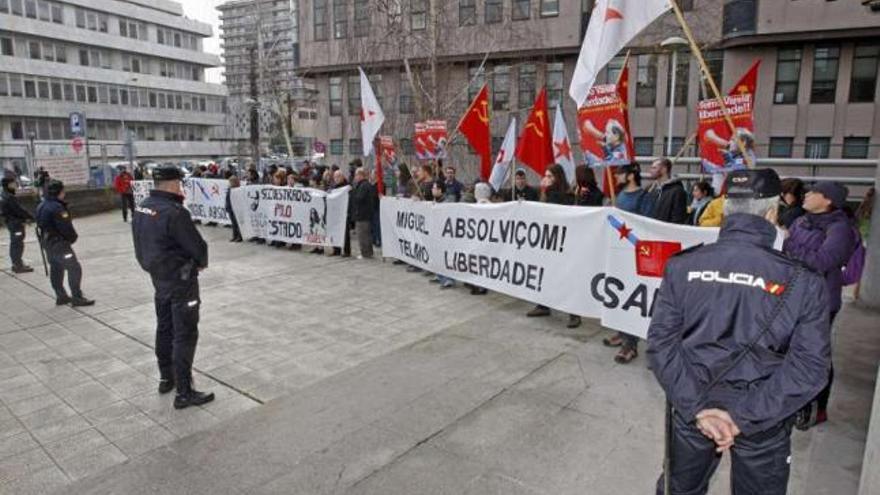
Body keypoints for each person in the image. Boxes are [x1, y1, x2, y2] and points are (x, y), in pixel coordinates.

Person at [648, 168, 831, 495]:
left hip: (693, 408)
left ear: (726, 207)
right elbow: (810, 369)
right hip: (764, 415)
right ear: (773, 213)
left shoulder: (681, 265)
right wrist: (742, 418)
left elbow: (661, 346)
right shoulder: (805, 281)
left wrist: (700, 410)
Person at [132, 166, 214, 409]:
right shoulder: (175, 212)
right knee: (185, 334)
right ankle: (184, 392)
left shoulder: (143, 206)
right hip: (180, 281)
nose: (180, 188)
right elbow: (197, 247)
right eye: (179, 183)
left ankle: (166, 378)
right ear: (170, 183)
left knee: (164, 329)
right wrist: (199, 264)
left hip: (159, 278)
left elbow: (139, 243)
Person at [783, 181, 859, 428]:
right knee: (791, 352)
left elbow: (822, 261)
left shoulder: (840, 229)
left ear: (828, 200)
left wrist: (790, 244)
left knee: (816, 354)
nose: (807, 194)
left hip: (822, 302)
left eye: (814, 192)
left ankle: (818, 407)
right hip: (793, 296)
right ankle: (793, 401)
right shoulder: (800, 222)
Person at [602, 162, 651, 363]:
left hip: (635, 253)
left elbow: (647, 224)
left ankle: (631, 345)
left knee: (633, 299)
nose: (616, 177)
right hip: (618, 253)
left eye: (620, 174)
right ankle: (622, 332)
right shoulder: (620, 195)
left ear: (631, 176)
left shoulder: (643, 197)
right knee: (620, 294)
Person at [527, 165, 581, 328]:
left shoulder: (566, 194)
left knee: (566, 277)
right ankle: (543, 305)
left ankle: (574, 314)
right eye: (545, 175)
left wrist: (545, 189)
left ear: (557, 177)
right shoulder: (546, 192)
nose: (546, 178)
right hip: (548, 240)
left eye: (550, 176)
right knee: (546, 274)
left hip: (563, 242)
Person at [36, 180, 95, 306]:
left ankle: (61, 295)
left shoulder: (41, 205)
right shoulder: (57, 207)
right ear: (59, 192)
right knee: (74, 267)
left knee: (56, 267)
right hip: (59, 243)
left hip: (47, 242)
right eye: (63, 191)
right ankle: (77, 296)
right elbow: (65, 227)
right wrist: (72, 238)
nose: (65, 193)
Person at [1, 177, 35, 273]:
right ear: (8, 185)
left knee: (15, 244)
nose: (16, 184)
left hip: (11, 222)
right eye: (13, 183)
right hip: (15, 223)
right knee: (17, 244)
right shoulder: (9, 197)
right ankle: (18, 265)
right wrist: (30, 217)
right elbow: (18, 210)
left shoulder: (5, 194)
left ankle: (17, 263)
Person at [646, 158, 688, 224]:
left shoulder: (677, 191)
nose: (650, 171)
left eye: (654, 168)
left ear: (664, 169)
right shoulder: (653, 190)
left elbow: (678, 218)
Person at [351, 167, 377, 259]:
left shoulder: (363, 185)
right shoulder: (365, 184)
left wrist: (353, 191)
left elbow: (359, 198)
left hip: (363, 214)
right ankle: (368, 252)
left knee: (363, 235)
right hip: (364, 214)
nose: (355, 177)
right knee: (366, 235)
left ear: (361, 175)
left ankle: (365, 253)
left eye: (356, 175)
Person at [332, 170, 351, 257]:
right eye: (335, 177)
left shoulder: (347, 187)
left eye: (338, 177)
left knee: (345, 233)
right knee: (335, 231)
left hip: (344, 212)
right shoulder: (334, 187)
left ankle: (347, 251)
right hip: (335, 212)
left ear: (342, 177)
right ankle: (336, 250)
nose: (336, 179)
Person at [226, 176, 242, 243]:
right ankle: (234, 236)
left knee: (237, 224)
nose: (229, 183)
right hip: (230, 208)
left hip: (236, 209)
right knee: (233, 224)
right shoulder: (229, 189)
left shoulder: (238, 190)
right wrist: (227, 207)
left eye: (231, 182)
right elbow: (227, 199)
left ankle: (239, 236)